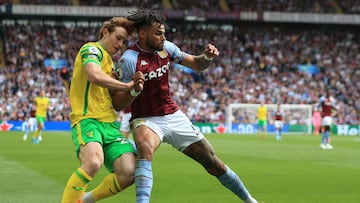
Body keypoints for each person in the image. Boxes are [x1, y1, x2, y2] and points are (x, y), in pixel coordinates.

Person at [113, 8, 258, 203]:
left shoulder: (167, 49)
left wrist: (206, 57)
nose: (163, 37)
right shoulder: (128, 60)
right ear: (142, 33)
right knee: (145, 148)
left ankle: (250, 201)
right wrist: (134, 89)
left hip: (173, 115)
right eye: (158, 33)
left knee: (212, 162)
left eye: (164, 33)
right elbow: (117, 103)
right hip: (146, 119)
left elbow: (198, 65)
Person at [61, 17, 145, 203]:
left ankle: (84, 200)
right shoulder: (91, 49)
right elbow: (93, 75)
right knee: (93, 162)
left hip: (110, 125)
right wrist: (126, 86)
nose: (120, 44)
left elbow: (117, 104)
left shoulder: (112, 64)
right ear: (106, 32)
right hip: (87, 119)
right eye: (118, 38)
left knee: (129, 172)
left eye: (124, 42)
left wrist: (134, 90)